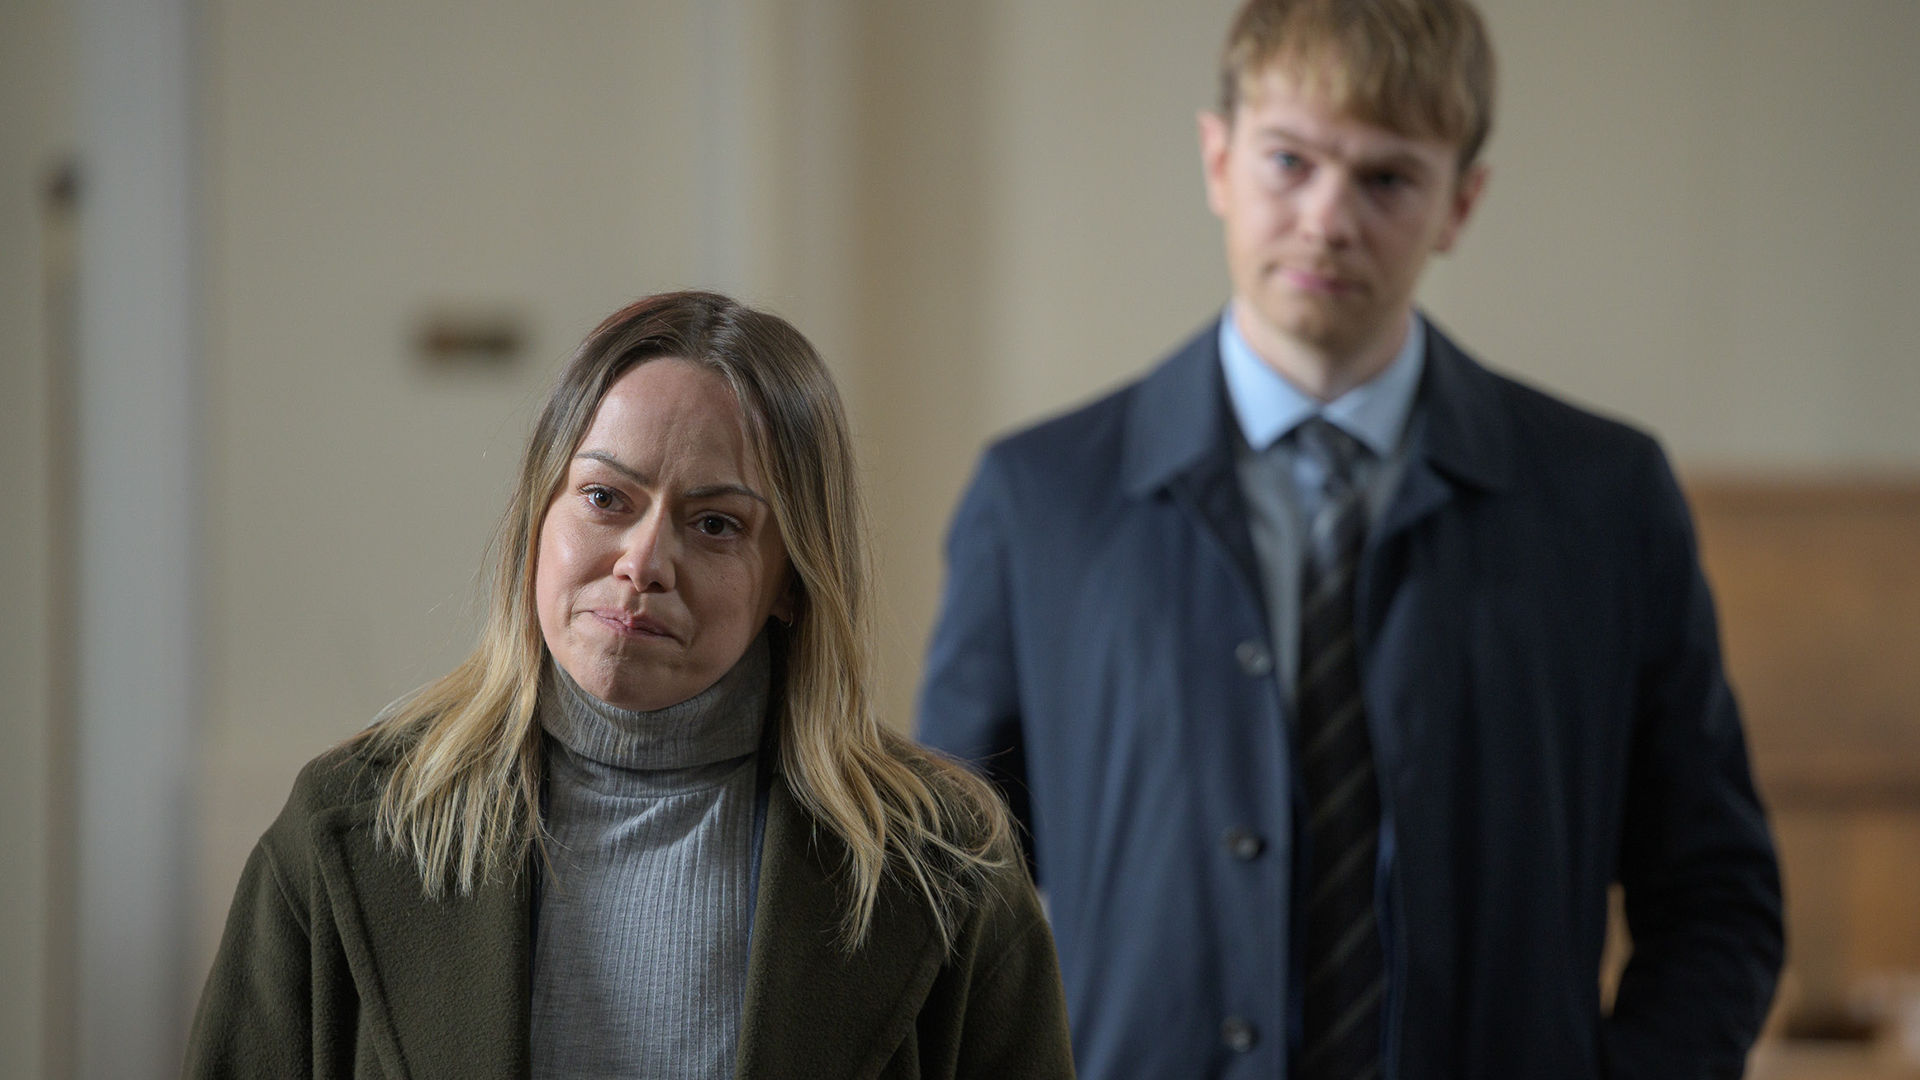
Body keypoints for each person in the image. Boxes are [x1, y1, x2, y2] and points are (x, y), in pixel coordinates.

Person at [916, 1, 1783, 1076]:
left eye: (1387, 179)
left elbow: (1715, 895)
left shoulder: (1606, 501)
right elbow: (942, 899)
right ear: (1219, 160)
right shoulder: (1040, 500)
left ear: (1460, 203)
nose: (1328, 219)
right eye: (1290, 161)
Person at [186, 291, 1074, 1079]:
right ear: (538, 517)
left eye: (717, 523)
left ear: (793, 583)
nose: (643, 562)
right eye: (606, 499)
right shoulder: (344, 830)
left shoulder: (942, 867)